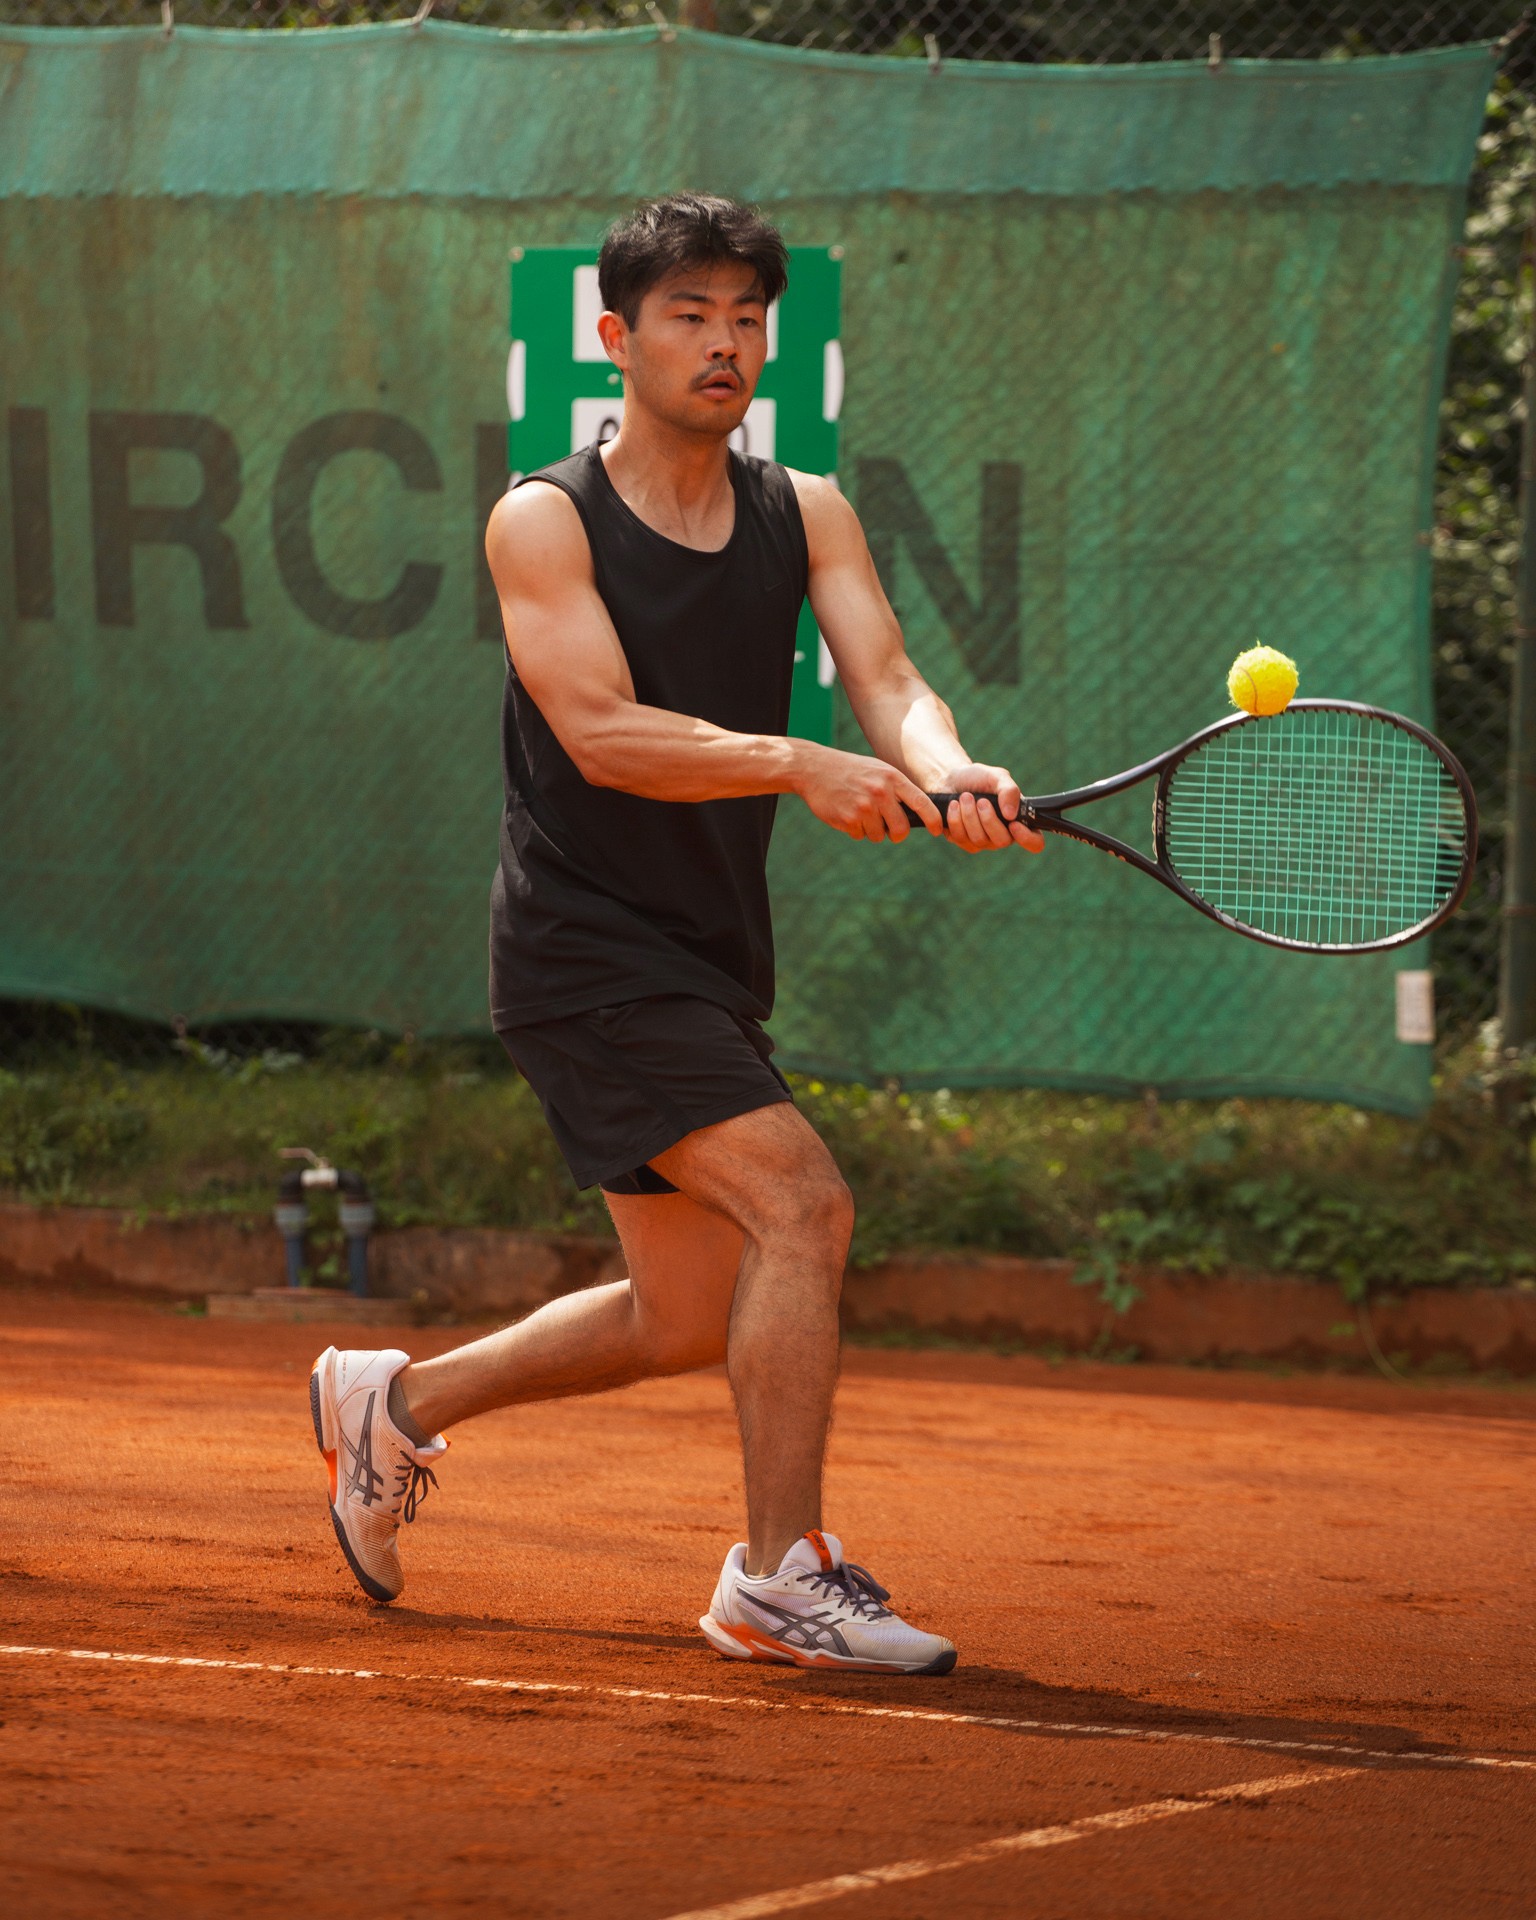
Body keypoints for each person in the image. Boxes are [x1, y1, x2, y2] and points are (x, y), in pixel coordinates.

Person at [310, 192, 1041, 1675]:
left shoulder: (806, 509)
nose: (726, 342)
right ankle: (780, 1576)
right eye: (690, 314)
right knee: (802, 1205)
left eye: (747, 317)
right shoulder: (544, 516)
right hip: (581, 948)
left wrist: (944, 761)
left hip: (705, 950)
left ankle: (395, 1405)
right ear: (616, 338)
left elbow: (890, 677)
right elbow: (596, 730)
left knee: (683, 1312)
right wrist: (800, 762)